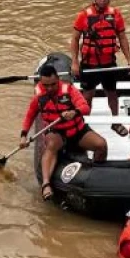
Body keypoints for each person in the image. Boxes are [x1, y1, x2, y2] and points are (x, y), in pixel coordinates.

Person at [20, 64, 108, 200]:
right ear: (42, 83)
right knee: (51, 146)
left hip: (77, 131)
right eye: (46, 85)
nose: (49, 88)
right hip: (56, 132)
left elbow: (85, 107)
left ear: (58, 80)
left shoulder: (69, 90)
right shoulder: (39, 97)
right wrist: (23, 136)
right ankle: (46, 184)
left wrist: (74, 112)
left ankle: (96, 174)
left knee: (101, 145)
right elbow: (29, 116)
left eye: (53, 84)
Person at [70, 0, 130, 137]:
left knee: (112, 94)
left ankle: (116, 122)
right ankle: (84, 126)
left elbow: (122, 38)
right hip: (90, 64)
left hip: (109, 63)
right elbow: (74, 39)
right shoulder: (83, 16)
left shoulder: (115, 14)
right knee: (87, 96)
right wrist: (74, 62)